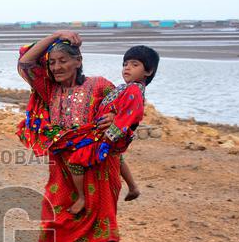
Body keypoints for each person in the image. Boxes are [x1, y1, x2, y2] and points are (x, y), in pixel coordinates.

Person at [17, 31, 128, 242]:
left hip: (98, 171)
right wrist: (55, 35)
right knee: (49, 233)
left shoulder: (100, 86)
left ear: (78, 61)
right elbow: (26, 63)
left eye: (63, 61)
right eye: (52, 62)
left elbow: (128, 110)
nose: (56, 67)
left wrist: (114, 118)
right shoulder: (48, 90)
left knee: (100, 237)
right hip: (61, 173)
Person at [50, 46, 159, 214]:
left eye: (134, 64)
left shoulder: (134, 90)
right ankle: (133, 187)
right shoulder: (127, 88)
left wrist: (108, 137)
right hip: (108, 131)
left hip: (107, 134)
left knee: (75, 161)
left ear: (148, 71)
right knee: (118, 158)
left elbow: (130, 115)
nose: (127, 68)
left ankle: (81, 198)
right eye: (125, 64)